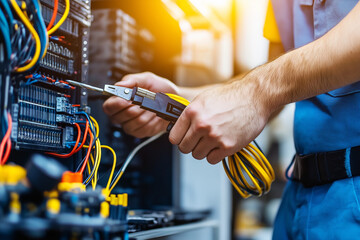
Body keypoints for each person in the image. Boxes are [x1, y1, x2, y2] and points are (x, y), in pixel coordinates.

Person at [103, 1, 360, 239]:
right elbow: (279, 79)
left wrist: (256, 91)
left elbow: (266, 89)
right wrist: (180, 103)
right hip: (300, 198)